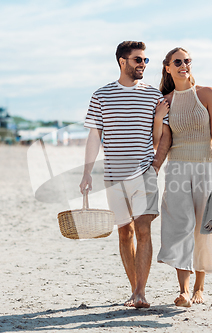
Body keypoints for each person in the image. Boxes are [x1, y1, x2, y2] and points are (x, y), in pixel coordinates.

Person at [79, 41, 171, 308]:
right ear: (123, 62)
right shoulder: (101, 96)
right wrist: (87, 173)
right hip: (112, 176)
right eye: (138, 60)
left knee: (143, 230)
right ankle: (135, 290)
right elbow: (94, 136)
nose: (143, 65)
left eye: (145, 60)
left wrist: (154, 165)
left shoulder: (154, 96)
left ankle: (141, 292)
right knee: (124, 232)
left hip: (143, 173)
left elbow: (158, 139)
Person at [156, 47, 212, 307]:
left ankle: (200, 287)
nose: (183, 65)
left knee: (203, 227)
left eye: (187, 61)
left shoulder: (207, 94)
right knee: (180, 226)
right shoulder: (165, 100)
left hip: (206, 167)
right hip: (177, 168)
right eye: (178, 61)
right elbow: (164, 141)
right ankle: (183, 290)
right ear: (167, 67)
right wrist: (154, 166)